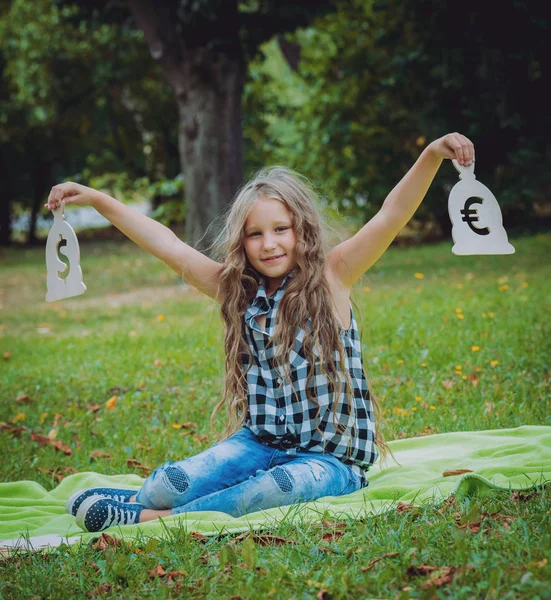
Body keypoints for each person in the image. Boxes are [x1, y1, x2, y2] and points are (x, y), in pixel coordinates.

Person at [46, 133, 475, 533]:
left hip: (328, 463)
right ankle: (148, 502)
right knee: (167, 482)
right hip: (259, 444)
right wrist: (100, 200)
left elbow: (391, 214)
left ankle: (150, 519)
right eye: (255, 234)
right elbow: (169, 245)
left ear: (301, 231)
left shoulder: (333, 275)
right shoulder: (237, 291)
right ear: (242, 242)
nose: (268, 244)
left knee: (275, 490)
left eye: (280, 230)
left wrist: (431, 153)